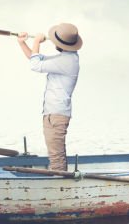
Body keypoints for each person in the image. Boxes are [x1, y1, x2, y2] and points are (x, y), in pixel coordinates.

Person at [17, 23, 82, 171]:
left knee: (56, 158)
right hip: (53, 113)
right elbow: (35, 59)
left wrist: (36, 42)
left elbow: (35, 65)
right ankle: (60, 183)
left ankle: (60, 189)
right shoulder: (66, 57)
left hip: (57, 115)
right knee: (56, 156)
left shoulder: (67, 61)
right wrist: (22, 43)